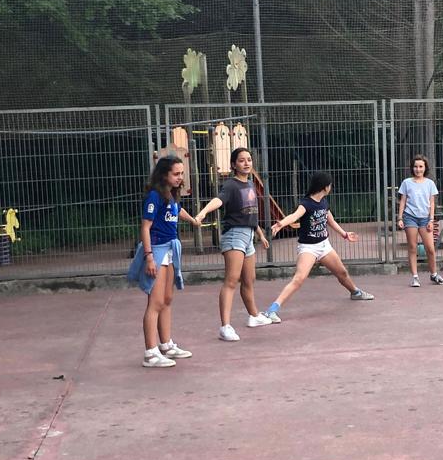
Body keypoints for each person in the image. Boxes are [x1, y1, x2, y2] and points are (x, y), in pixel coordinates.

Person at [263, 171, 374, 320]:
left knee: (342, 272)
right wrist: (281, 224)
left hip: (324, 245)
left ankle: (355, 292)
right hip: (308, 248)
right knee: (299, 278)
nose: (331, 187)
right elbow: (294, 216)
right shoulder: (306, 204)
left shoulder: (324, 202)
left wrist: (345, 234)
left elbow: (330, 220)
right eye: (330, 185)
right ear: (325, 187)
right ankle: (272, 310)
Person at [193, 146, 274, 342]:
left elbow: (250, 213)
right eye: (241, 160)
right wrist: (203, 212)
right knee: (231, 280)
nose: (246, 163)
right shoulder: (230, 185)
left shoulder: (251, 184)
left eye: (249, 159)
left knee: (249, 279)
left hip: (249, 236)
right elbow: (218, 200)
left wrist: (260, 234)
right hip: (234, 235)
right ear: (233, 165)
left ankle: (254, 316)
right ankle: (225, 327)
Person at [127, 153, 200, 369]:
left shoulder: (171, 194)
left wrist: (193, 220)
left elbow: (177, 209)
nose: (180, 177)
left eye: (182, 173)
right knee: (156, 302)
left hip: (170, 249)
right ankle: (150, 353)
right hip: (157, 250)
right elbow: (145, 228)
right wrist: (149, 257)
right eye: (176, 174)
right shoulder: (154, 196)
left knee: (167, 299)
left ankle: (166, 345)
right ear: (164, 175)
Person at [396, 154, 443, 287]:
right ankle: (415, 277)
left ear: (425, 168)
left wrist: (431, 220)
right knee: (412, 247)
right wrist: (400, 218)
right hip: (410, 217)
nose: (418, 169)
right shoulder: (406, 182)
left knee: (430, 248)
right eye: (415, 166)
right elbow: (403, 201)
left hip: (425, 219)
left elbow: (432, 203)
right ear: (412, 168)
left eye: (420, 166)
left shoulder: (430, 183)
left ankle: (434, 274)